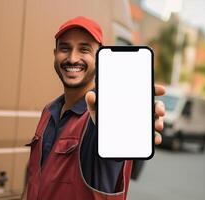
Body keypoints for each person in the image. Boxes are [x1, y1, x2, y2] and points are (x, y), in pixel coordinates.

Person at [22, 16, 165, 200]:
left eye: (84, 49)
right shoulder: (49, 111)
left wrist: (127, 123)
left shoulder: (102, 116)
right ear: (55, 53)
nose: (72, 58)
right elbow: (33, 175)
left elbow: (116, 146)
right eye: (65, 48)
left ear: (98, 59)